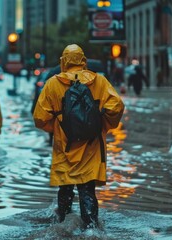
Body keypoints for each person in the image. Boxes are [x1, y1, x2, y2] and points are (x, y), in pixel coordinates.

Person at [33, 44, 124, 228]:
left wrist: (57, 126)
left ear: (63, 62)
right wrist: (101, 124)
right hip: (91, 147)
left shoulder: (52, 84)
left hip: (64, 147)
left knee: (65, 188)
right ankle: (91, 230)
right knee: (87, 189)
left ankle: (64, 226)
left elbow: (39, 118)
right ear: (83, 61)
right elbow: (116, 106)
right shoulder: (99, 81)